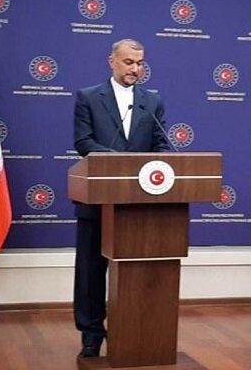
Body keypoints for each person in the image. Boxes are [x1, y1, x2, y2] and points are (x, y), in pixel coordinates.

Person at [73, 39, 169, 358]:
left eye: (140, 63)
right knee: (90, 271)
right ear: (112, 62)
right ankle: (91, 334)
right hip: (97, 200)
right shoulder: (88, 97)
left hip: (138, 205)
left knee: (135, 271)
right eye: (129, 62)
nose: (135, 69)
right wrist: (120, 162)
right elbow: (83, 142)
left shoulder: (152, 101)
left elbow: (160, 144)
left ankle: (131, 331)